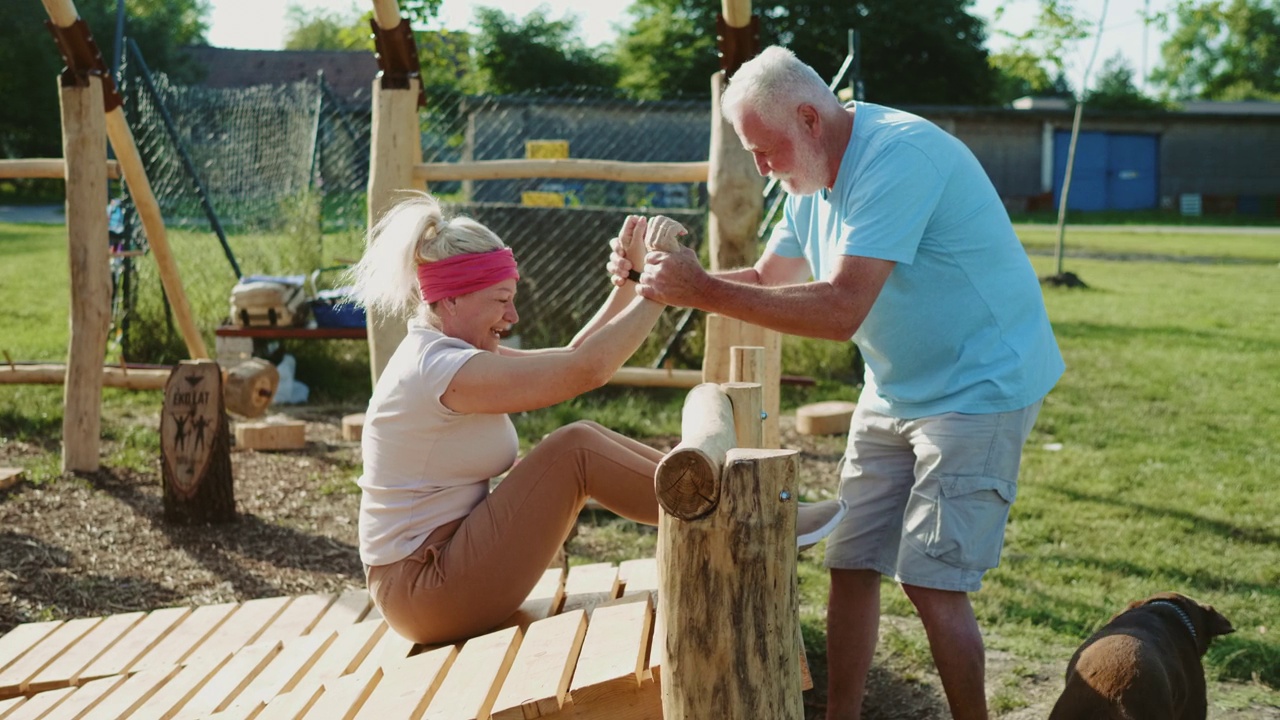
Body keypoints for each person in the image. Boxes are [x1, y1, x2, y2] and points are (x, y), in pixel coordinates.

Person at [611, 46, 1064, 720]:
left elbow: (839, 308)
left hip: (979, 385)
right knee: (851, 560)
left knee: (931, 580)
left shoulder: (898, 156)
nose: (762, 169)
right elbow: (769, 282)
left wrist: (698, 287)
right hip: (896, 386)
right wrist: (661, 285)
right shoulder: (809, 180)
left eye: (765, 151)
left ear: (808, 118)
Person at [348, 192, 844, 645]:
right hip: (424, 590)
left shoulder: (447, 354)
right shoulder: (440, 368)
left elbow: (573, 355)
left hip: (441, 574)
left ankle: (745, 513)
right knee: (575, 449)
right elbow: (586, 371)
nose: (513, 317)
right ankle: (748, 517)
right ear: (451, 298)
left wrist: (630, 283)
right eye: (501, 301)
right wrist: (658, 289)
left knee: (578, 443)